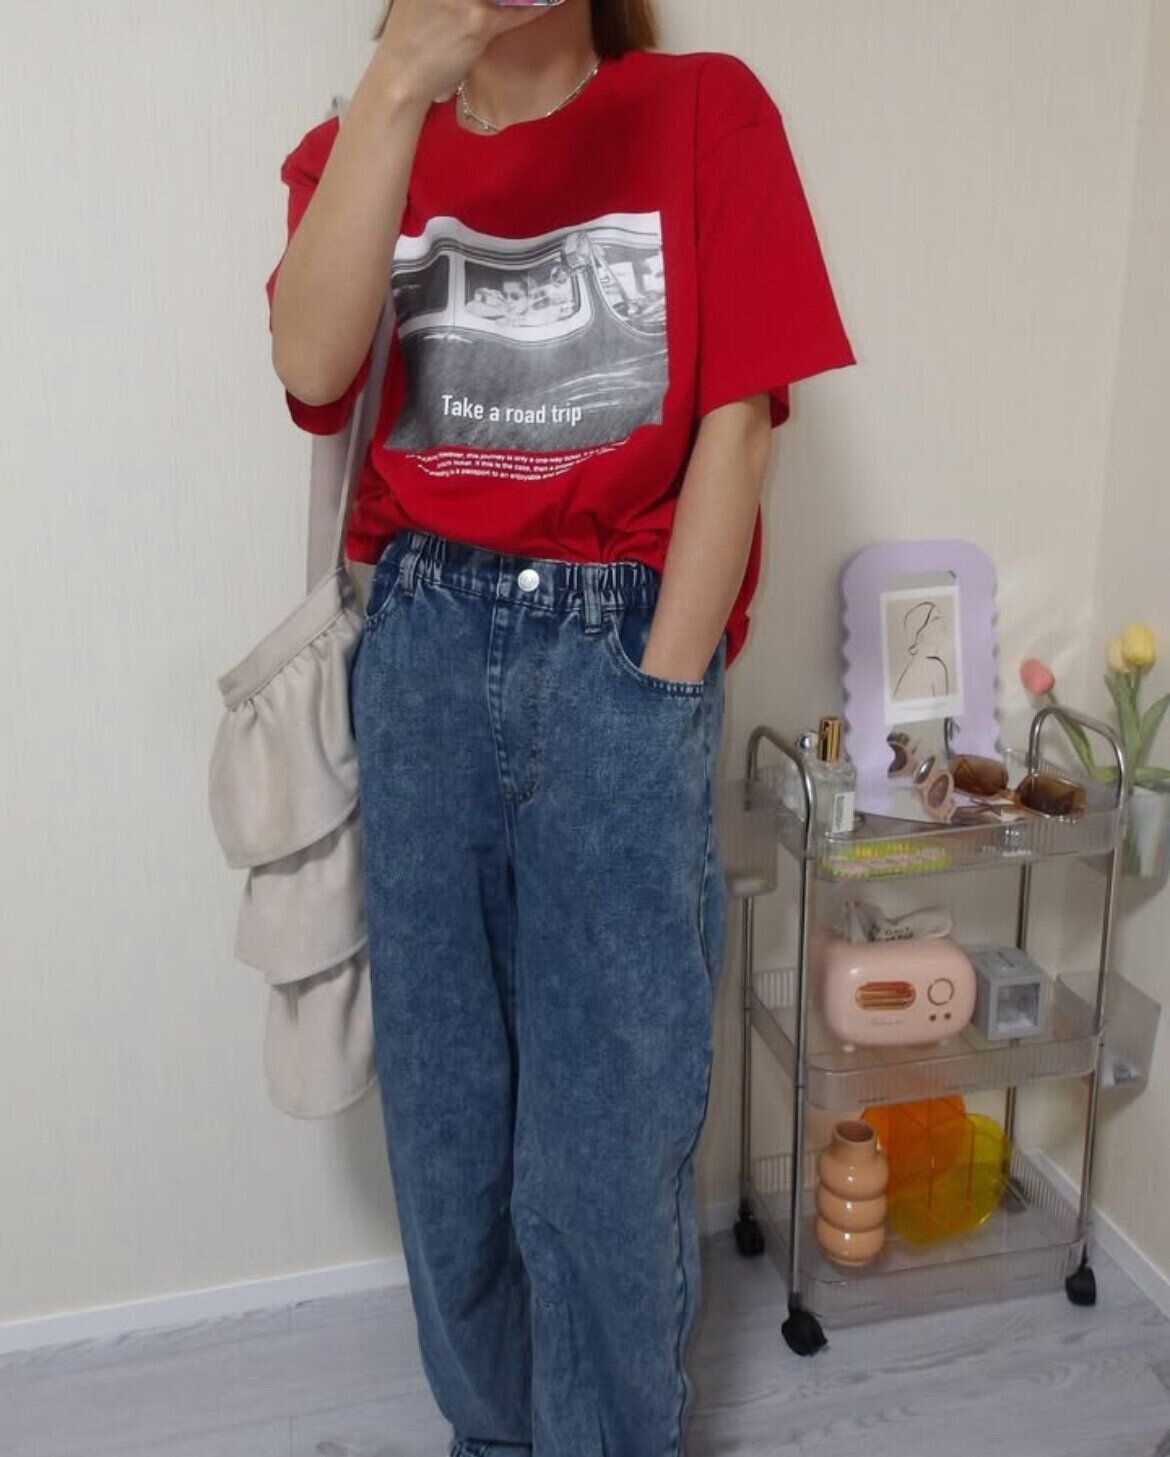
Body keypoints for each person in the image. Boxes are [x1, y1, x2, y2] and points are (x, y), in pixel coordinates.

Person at [266, 1, 856, 1453]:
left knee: (606, 1142)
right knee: (449, 1134)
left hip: (617, 651)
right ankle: (493, 1438)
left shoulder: (703, 109)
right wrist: (400, 76)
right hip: (421, 654)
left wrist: (660, 683)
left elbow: (739, 426)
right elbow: (313, 366)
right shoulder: (366, 137)